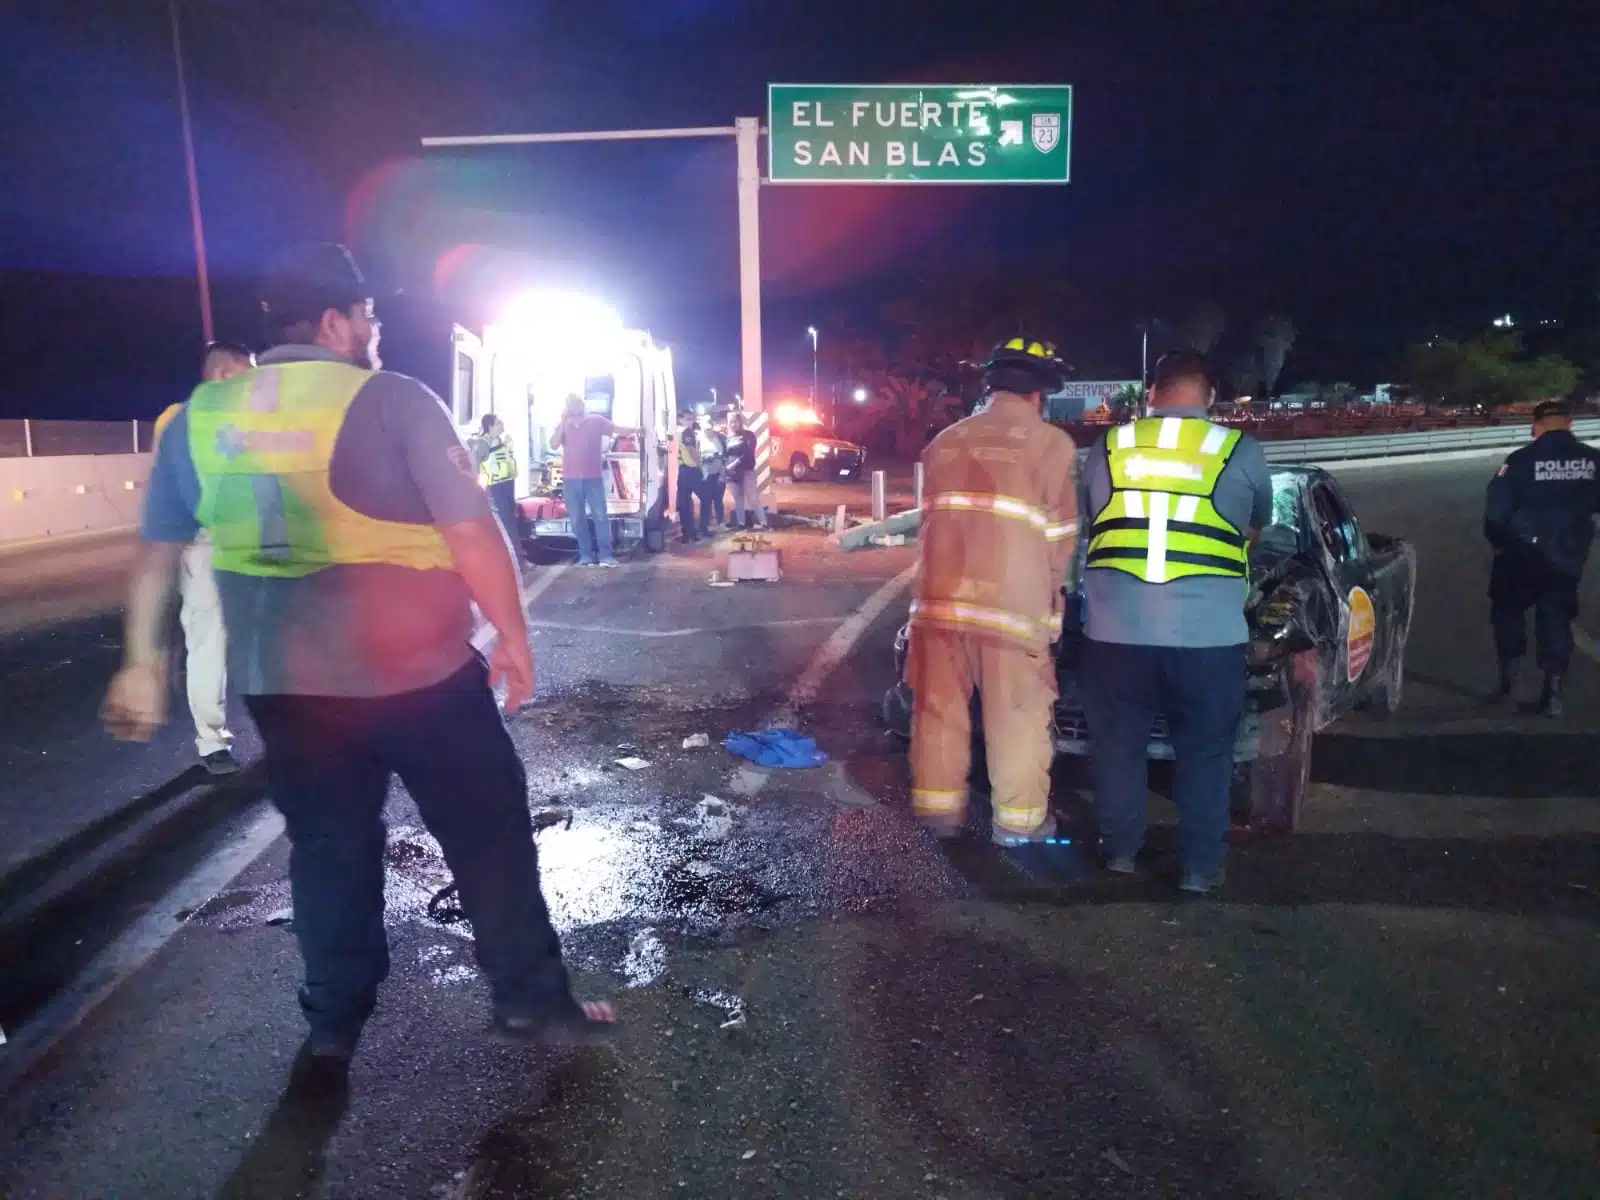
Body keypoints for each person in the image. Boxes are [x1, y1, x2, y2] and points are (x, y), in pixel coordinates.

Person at [102, 243, 614, 1062]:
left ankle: (332, 1025)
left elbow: (159, 549)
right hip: (420, 678)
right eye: (371, 317)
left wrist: (138, 659)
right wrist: (512, 636)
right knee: (486, 837)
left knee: (330, 848)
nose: (376, 333)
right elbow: (472, 531)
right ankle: (532, 1001)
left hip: (287, 687)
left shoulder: (201, 416)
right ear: (338, 322)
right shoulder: (391, 399)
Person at [1078, 350, 1274, 895]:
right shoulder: (1240, 449)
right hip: (1209, 637)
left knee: (1118, 748)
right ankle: (1198, 869)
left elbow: (1093, 520)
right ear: (1210, 396)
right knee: (1205, 755)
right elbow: (1258, 524)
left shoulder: (1109, 446)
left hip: (1116, 634)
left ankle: (1119, 853)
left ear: (1152, 393)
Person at [906, 336, 1078, 850]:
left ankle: (939, 814)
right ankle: (1020, 824)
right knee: (1017, 716)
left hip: (937, 606)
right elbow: (1060, 543)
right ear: (1040, 393)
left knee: (937, 711)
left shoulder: (944, 441)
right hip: (1010, 610)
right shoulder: (1052, 445)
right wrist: (1053, 619)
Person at [151, 340, 253, 775]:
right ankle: (212, 743)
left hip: (236, 542)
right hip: (207, 543)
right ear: (223, 375)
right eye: (246, 373)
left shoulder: (177, 419)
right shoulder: (189, 421)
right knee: (209, 643)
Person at [1484, 398, 1600, 716]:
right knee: (1556, 617)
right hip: (1567, 555)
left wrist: (1500, 543)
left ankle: (1509, 683)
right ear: (1570, 423)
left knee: (1507, 611)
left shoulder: (1520, 461)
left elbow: (1495, 511)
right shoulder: (1593, 461)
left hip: (1520, 552)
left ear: (1535, 427)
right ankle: (1552, 693)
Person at [550, 393, 632, 567]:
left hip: (592, 478)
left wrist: (638, 430)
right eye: (570, 404)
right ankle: (585, 555)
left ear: (582, 404)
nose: (574, 406)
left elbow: (617, 429)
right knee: (576, 518)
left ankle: (606, 556)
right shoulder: (564, 426)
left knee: (600, 516)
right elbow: (553, 444)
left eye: (576, 403)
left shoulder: (596, 421)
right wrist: (562, 424)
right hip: (571, 480)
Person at [470, 413, 522, 564]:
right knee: (505, 523)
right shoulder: (482, 444)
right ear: (490, 426)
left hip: (507, 486)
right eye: (498, 423)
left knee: (510, 521)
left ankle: (515, 560)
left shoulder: (501, 441)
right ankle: (514, 561)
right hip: (494, 489)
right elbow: (473, 467)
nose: (502, 425)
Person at [725, 411, 766, 530]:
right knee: (738, 499)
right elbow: (726, 455)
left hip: (747, 472)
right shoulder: (729, 439)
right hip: (732, 475)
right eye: (731, 422)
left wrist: (733, 464)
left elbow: (748, 453)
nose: (733, 424)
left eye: (735, 421)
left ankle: (764, 523)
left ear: (741, 422)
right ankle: (741, 524)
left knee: (752, 498)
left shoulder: (749, 435)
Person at [676, 411, 703, 544]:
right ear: (681, 419)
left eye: (692, 419)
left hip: (681, 471)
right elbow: (692, 451)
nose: (690, 421)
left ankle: (686, 534)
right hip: (691, 470)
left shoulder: (675, 432)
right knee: (706, 497)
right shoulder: (687, 432)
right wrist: (701, 466)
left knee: (684, 503)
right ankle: (698, 530)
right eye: (688, 419)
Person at [697, 417, 728, 535]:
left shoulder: (720, 438)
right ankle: (706, 525)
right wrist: (704, 459)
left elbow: (725, 456)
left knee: (718, 499)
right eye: (706, 430)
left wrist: (723, 473)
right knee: (706, 500)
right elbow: (696, 456)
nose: (708, 432)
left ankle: (720, 523)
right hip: (706, 475)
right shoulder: (699, 439)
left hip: (719, 473)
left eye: (709, 429)